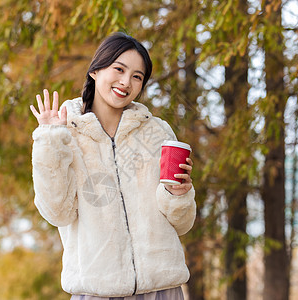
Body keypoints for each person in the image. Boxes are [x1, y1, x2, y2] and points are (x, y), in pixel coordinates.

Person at [30, 32, 196, 299]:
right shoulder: (64, 133)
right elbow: (57, 212)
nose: (125, 82)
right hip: (96, 291)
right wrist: (50, 142)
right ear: (95, 70)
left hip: (161, 289)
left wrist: (179, 194)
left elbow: (182, 223)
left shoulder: (158, 133)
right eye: (119, 69)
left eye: (137, 76)